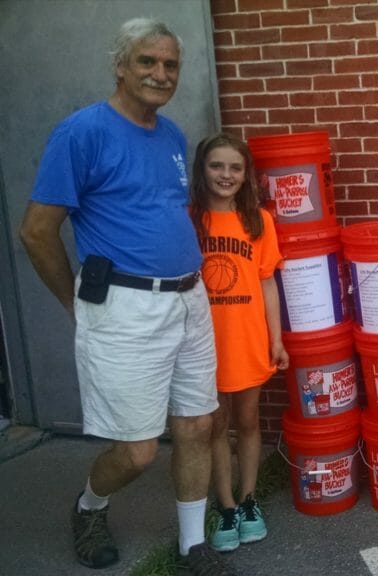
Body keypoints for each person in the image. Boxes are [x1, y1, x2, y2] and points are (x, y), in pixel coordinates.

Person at [19, 18, 235, 575]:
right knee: (138, 449)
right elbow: (37, 231)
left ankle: (193, 546)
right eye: (147, 61)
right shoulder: (81, 132)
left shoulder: (170, 135)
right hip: (124, 307)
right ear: (120, 65)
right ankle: (89, 506)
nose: (160, 74)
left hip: (189, 300)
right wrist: (76, 303)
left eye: (170, 65)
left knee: (198, 424)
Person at [189, 132, 288, 552]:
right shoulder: (189, 218)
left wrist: (277, 339)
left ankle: (248, 500)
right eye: (216, 166)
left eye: (235, 167)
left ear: (246, 174)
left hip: (246, 336)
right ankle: (225, 505)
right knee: (215, 425)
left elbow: (267, 282)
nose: (225, 175)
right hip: (202, 339)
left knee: (248, 422)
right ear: (202, 169)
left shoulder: (258, 220)